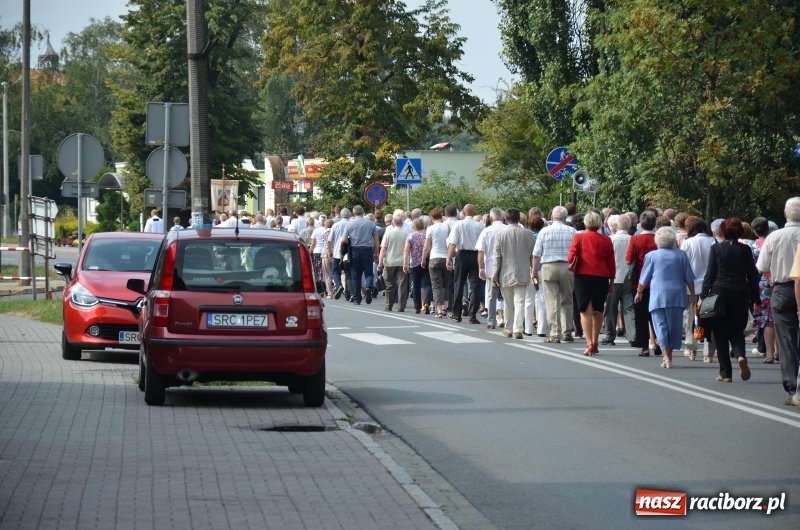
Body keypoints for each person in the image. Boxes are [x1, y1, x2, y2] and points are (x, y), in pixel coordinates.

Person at [701, 218, 760, 382]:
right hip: (741, 293)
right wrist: (756, 297)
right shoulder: (745, 250)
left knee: (720, 332)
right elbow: (752, 275)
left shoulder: (717, 249)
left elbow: (710, 274)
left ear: (723, 231)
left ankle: (725, 373)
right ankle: (740, 355)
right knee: (737, 330)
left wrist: (703, 295)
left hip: (719, 293)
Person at [756, 197, 800, 404]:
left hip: (782, 289)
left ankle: (793, 388)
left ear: (785, 214)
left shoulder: (775, 237)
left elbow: (762, 266)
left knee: (787, 341)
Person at [635, 227, 696, 368]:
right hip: (677, 295)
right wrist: (692, 295)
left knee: (660, 326)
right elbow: (689, 278)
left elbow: (644, 278)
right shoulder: (681, 255)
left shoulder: (651, 256)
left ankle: (666, 357)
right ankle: (669, 356)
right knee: (674, 327)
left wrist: (639, 292)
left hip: (658, 295)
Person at [567, 211, 616, 355]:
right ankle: (595, 342)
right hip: (601, 277)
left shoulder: (579, 237)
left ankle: (589, 343)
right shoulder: (606, 240)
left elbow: (571, 257)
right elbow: (611, 263)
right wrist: (612, 281)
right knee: (598, 310)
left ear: (586, 223)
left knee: (585, 311)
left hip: (583, 277)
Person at [532, 205, 576, 343]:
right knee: (567, 300)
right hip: (567, 267)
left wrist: (534, 271)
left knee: (551, 301)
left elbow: (536, 254)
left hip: (549, 266)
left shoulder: (544, 231)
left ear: (552, 217)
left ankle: (554, 333)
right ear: (565, 217)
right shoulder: (572, 231)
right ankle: (567, 331)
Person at [492, 208, 534, 339]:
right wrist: (534, 270)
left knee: (508, 303)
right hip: (522, 271)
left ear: (506, 218)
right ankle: (518, 329)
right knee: (520, 301)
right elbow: (533, 254)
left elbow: (497, 257)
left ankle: (509, 328)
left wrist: (494, 275)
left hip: (505, 273)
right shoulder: (528, 234)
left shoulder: (500, 234)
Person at [681, 216, 716, 362]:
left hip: (692, 286)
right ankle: (708, 352)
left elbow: (683, 266)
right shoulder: (713, 242)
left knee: (690, 318)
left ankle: (691, 349)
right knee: (710, 318)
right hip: (710, 286)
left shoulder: (687, 243)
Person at [626, 210, 658, 356]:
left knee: (641, 314)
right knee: (656, 314)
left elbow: (628, 259)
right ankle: (657, 341)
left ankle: (644, 346)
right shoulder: (659, 238)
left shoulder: (635, 239)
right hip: (657, 281)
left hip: (639, 280)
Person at [446, 204, 484, 324]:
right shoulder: (480, 226)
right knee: (475, 286)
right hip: (476, 255)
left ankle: (456, 314)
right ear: (474, 212)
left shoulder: (459, 224)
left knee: (459, 284)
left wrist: (448, 258)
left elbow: (453, 243)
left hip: (462, 255)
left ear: (463, 212)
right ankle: (472, 315)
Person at [602, 214, 633, 346]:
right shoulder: (633, 239)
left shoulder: (610, 240)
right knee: (629, 308)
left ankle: (610, 335)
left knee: (611, 309)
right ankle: (633, 335)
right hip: (629, 277)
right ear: (629, 225)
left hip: (613, 277)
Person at [750, 217, 777, 363]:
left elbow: (753, 269)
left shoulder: (754, 246)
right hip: (779, 281)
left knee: (767, 320)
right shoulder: (776, 242)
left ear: (754, 231)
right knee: (780, 317)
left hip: (762, 283)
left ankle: (770, 354)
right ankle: (779, 351)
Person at [341, 205, 380, 305]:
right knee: (368, 273)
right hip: (367, 250)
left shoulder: (349, 224)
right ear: (363, 212)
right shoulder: (370, 223)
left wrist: (351, 241)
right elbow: (376, 238)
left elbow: (344, 239)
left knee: (355, 275)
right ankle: (368, 288)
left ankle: (357, 299)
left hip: (355, 250)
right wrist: (376, 252)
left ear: (353, 213)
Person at [477, 207, 507, 329]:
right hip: (506, 265)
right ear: (504, 218)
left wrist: (481, 268)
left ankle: (491, 320)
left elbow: (480, 251)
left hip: (490, 265)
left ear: (490, 218)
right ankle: (506, 318)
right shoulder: (507, 230)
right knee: (507, 294)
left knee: (491, 295)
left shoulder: (486, 231)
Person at [422, 208, 451, 318]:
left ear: (432, 218)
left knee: (436, 285)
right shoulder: (447, 227)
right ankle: (446, 307)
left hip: (434, 258)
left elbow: (426, 246)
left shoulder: (430, 228)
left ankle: (439, 309)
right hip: (446, 257)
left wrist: (423, 259)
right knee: (446, 284)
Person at [378, 214, 409, 311]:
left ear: (392, 223)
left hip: (389, 262)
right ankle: (401, 306)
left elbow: (383, 250)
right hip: (402, 262)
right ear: (402, 223)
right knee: (402, 285)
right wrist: (407, 262)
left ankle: (388, 305)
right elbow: (407, 250)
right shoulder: (406, 234)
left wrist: (380, 263)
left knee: (389, 285)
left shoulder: (388, 234)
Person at [404, 217, 430, 314]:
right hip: (426, 261)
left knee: (416, 285)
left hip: (414, 262)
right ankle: (427, 302)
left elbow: (406, 250)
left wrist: (405, 263)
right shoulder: (427, 235)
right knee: (428, 283)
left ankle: (417, 307)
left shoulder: (411, 236)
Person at [328, 208, 351, 299]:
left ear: (341, 215)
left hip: (337, 251)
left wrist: (330, 251)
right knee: (348, 273)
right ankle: (348, 293)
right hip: (348, 252)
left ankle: (339, 285)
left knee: (336, 271)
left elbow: (329, 240)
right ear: (349, 215)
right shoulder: (351, 224)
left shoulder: (335, 225)